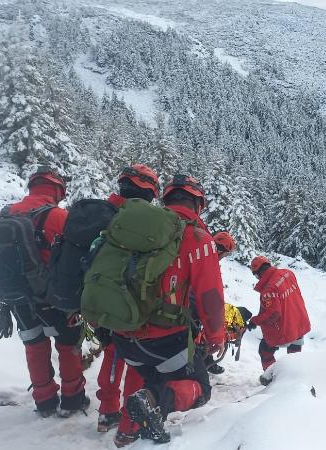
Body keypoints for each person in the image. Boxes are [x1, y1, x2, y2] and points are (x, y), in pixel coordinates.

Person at [113, 174, 226, 444]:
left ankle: (128, 433)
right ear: (197, 204)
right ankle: (152, 404)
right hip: (165, 340)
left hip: (124, 333)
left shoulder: (137, 230)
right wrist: (216, 336)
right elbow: (210, 295)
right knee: (199, 387)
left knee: (149, 381)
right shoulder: (197, 238)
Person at [0, 167, 88, 417]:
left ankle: (44, 400)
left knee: (34, 346)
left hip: (16, 297)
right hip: (53, 297)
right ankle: (72, 398)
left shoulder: (4, 215)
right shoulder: (59, 216)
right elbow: (76, 258)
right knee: (68, 345)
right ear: (57, 190)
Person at [93, 164, 159, 444]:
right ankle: (128, 426)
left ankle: (107, 411)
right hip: (132, 305)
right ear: (149, 193)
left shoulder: (102, 213)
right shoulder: (146, 221)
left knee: (112, 355)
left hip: (98, 301)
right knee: (136, 363)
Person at [247, 256, 311, 380]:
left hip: (285, 328)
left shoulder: (269, 289)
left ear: (258, 273)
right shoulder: (288, 273)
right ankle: (295, 378)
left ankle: (272, 379)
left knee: (264, 351)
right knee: (294, 355)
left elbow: (273, 314)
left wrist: (255, 321)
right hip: (299, 322)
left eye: (256, 275)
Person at [202, 231, 237, 375]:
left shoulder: (203, 255)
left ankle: (207, 361)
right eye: (226, 254)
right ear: (222, 251)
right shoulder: (209, 263)